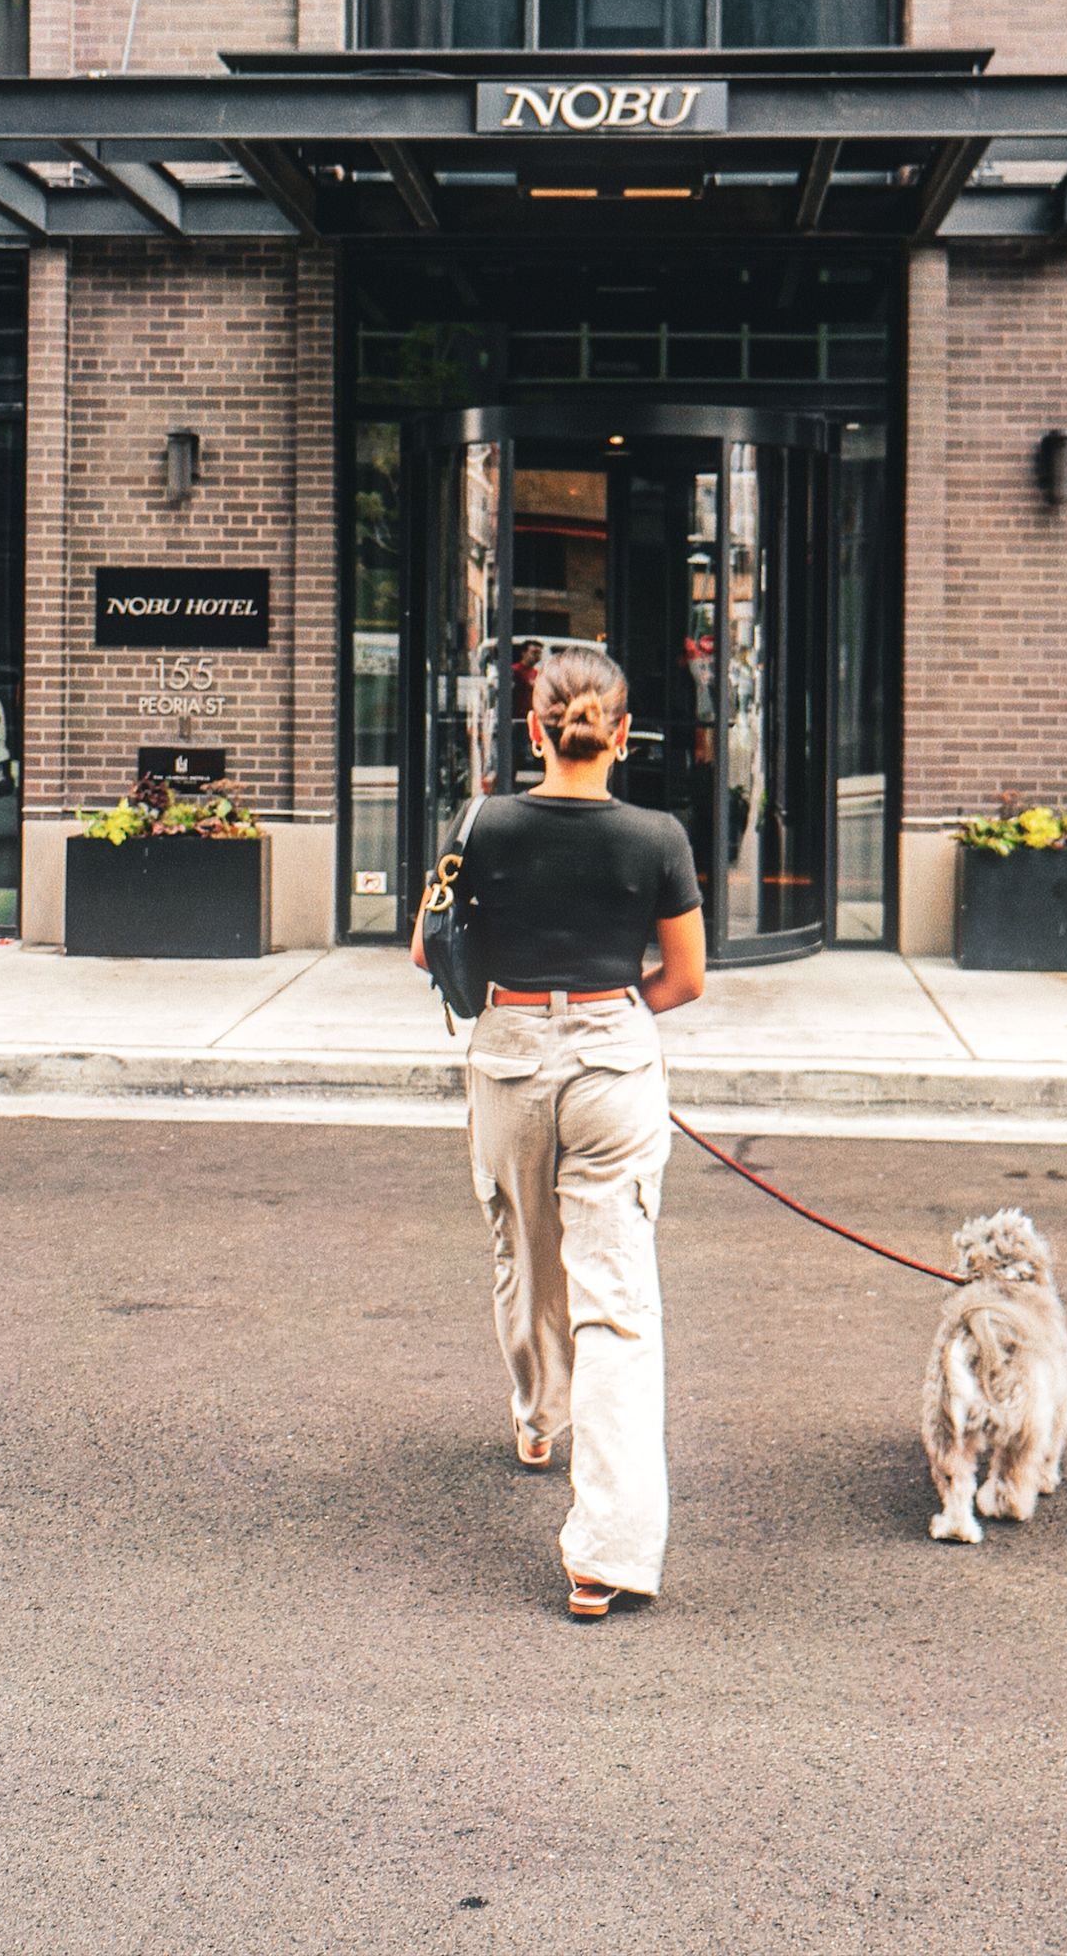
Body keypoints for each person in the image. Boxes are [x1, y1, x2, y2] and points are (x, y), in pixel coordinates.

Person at [412, 644, 706, 1619]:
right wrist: (611, 1027)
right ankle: (606, 1557)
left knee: (526, 1251)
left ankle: (540, 1417)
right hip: (617, 1052)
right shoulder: (657, 835)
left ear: (533, 728)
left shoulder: (482, 824)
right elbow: (685, 978)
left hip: (507, 1047)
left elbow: (425, 944)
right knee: (617, 1301)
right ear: (622, 735)